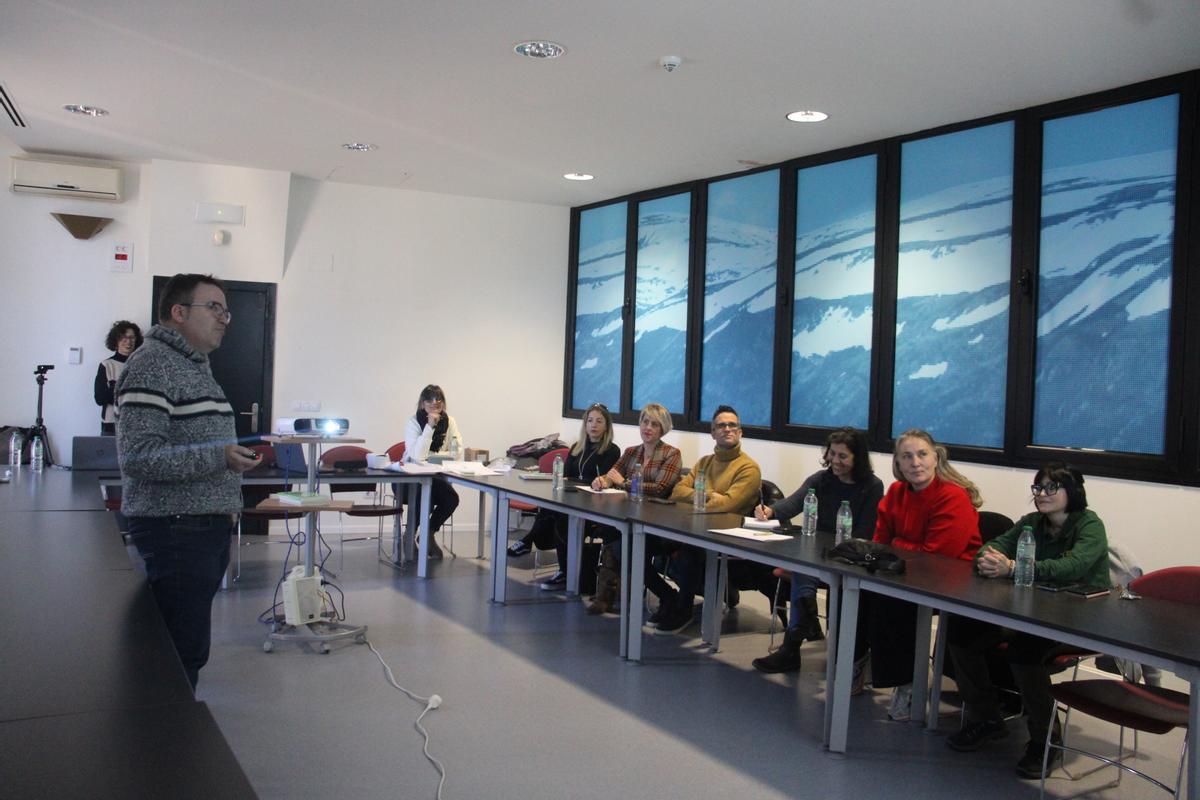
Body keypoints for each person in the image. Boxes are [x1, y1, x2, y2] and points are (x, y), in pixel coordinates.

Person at [116, 274, 259, 690]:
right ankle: (165, 743)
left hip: (200, 525)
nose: (224, 319)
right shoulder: (152, 364)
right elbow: (139, 456)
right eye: (213, 308)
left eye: (225, 310)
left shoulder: (192, 366)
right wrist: (220, 456)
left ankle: (168, 732)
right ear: (178, 313)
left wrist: (226, 459)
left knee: (187, 644)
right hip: (176, 526)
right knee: (180, 648)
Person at [945, 463, 1108, 780]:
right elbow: (992, 546)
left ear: (1072, 492)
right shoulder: (1032, 523)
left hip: (1078, 618)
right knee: (963, 631)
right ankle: (986, 718)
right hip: (1030, 611)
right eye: (1038, 488)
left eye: (1051, 488)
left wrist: (1015, 568)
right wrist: (991, 559)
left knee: (1024, 651)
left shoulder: (1089, 525)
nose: (1042, 495)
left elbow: (1072, 567)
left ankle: (1045, 737)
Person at [866, 428, 982, 720]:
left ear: (935, 458)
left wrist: (897, 545)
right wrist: (900, 547)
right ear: (898, 464)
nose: (915, 462)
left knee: (894, 605)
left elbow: (937, 555)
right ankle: (858, 667)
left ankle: (907, 684)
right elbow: (880, 541)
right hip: (907, 573)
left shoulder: (952, 496)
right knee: (858, 592)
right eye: (907, 456)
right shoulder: (896, 492)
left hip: (953, 580)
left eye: (922, 454)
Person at [751, 427, 884, 673]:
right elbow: (792, 503)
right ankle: (801, 630)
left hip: (850, 558)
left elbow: (865, 532)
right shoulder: (821, 480)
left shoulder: (872, 486)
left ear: (858, 458)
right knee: (805, 568)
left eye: (843, 456)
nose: (835, 461)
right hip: (817, 555)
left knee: (804, 571)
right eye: (832, 454)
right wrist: (769, 511)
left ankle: (794, 642)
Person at [654, 405, 761, 634]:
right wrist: (710, 496)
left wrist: (701, 498)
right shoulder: (704, 463)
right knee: (645, 543)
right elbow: (677, 492)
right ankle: (669, 598)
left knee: (689, 551)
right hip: (694, 527)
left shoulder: (749, 468)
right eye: (721, 425)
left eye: (733, 425)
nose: (727, 429)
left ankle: (684, 610)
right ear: (713, 433)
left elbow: (729, 505)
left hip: (726, 537)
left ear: (740, 432)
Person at [576, 402, 682, 611]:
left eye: (654, 424)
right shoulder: (631, 452)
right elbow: (612, 475)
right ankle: (606, 594)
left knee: (621, 546)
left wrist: (623, 483)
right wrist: (602, 481)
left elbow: (660, 488)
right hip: (629, 514)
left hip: (657, 521)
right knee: (610, 531)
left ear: (663, 429)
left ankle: (666, 594)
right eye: (645, 422)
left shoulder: (671, 453)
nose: (647, 428)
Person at [505, 403, 621, 591]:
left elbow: (601, 480)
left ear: (607, 426)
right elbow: (566, 474)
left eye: (599, 421)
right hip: (570, 497)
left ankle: (531, 544)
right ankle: (563, 570)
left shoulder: (612, 450)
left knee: (558, 515)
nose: (594, 425)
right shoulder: (577, 447)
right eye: (590, 421)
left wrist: (580, 482)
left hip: (593, 504)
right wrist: (574, 482)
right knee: (553, 510)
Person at [402, 384, 462, 559]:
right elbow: (417, 456)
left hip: (435, 477)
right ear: (422, 403)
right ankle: (408, 535)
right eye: (429, 399)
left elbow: (457, 452)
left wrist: (431, 455)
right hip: (409, 479)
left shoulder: (450, 421)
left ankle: (428, 534)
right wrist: (429, 426)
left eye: (439, 399)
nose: (434, 403)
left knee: (451, 499)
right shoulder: (413, 422)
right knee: (424, 498)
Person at [94, 320, 142, 435]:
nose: (128, 342)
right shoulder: (106, 365)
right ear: (116, 341)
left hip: (137, 425)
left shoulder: (142, 365)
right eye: (123, 338)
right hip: (111, 425)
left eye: (132, 338)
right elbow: (100, 398)